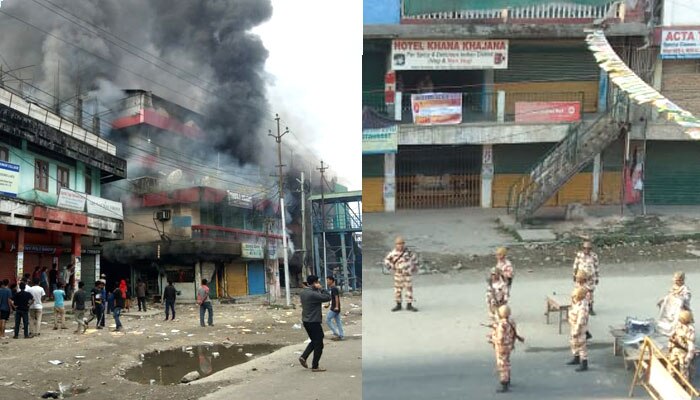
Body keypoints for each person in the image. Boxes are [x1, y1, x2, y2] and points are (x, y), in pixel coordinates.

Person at [298, 275, 332, 372]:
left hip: (306, 320)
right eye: (317, 282)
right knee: (319, 344)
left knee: (315, 340)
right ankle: (315, 366)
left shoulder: (303, 292)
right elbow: (328, 297)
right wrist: (321, 288)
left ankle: (304, 357)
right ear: (315, 283)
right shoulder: (312, 294)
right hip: (314, 321)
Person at [384, 236, 419, 312]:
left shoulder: (408, 252)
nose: (400, 245)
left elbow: (415, 259)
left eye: (402, 244)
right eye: (398, 244)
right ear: (396, 245)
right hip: (398, 274)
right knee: (397, 290)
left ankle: (409, 305)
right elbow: (387, 260)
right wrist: (391, 266)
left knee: (409, 290)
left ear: (404, 244)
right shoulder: (393, 253)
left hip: (407, 274)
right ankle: (398, 305)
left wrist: (414, 267)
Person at [489, 305, 519, 393]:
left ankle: (504, 383)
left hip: (502, 346)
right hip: (509, 345)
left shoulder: (501, 325)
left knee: (502, 364)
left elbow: (500, 337)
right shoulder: (511, 322)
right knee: (507, 361)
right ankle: (508, 379)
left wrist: (493, 339)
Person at [572, 240, 599, 315]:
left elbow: (596, 266)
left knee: (590, 292)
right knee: (579, 291)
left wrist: (597, 277)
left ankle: (590, 308)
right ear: (582, 248)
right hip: (581, 277)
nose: (586, 250)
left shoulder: (594, 256)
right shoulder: (579, 255)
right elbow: (575, 265)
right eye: (585, 248)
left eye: (588, 248)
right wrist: (574, 274)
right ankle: (578, 307)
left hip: (591, 277)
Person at [567, 287, 590, 372]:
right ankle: (576, 358)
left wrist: (576, 331)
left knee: (581, 345)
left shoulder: (582, 307)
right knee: (574, 343)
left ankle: (584, 363)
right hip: (574, 326)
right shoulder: (578, 303)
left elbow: (580, 321)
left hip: (579, 328)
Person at [668, 309, 696, 380]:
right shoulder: (677, 326)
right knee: (671, 367)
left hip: (683, 352)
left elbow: (691, 346)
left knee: (683, 371)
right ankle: (671, 381)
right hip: (675, 351)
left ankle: (684, 386)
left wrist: (688, 357)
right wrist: (671, 345)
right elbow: (671, 336)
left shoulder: (690, 329)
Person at [324, 276, 344, 341]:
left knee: (327, 320)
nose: (327, 281)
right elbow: (332, 298)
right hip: (334, 307)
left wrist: (337, 306)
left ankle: (336, 333)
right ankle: (341, 335)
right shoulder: (332, 288)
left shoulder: (334, 289)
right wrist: (328, 304)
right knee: (338, 321)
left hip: (334, 308)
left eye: (327, 280)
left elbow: (336, 298)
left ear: (331, 281)